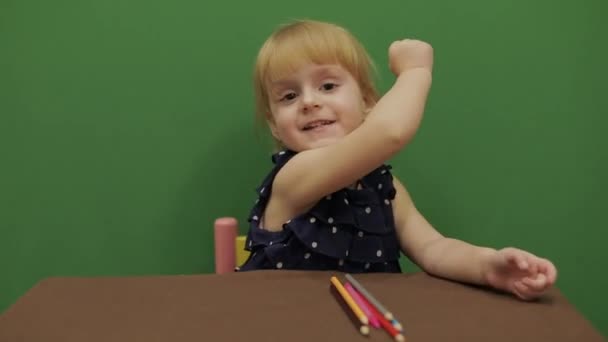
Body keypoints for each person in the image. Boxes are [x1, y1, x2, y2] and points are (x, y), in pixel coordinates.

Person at [238, 19, 557, 300]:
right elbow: (390, 131)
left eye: (328, 86)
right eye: (289, 96)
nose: (309, 101)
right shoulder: (295, 175)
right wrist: (415, 72)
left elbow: (434, 249)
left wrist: (488, 266)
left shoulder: (382, 186)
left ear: (367, 102)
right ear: (273, 122)